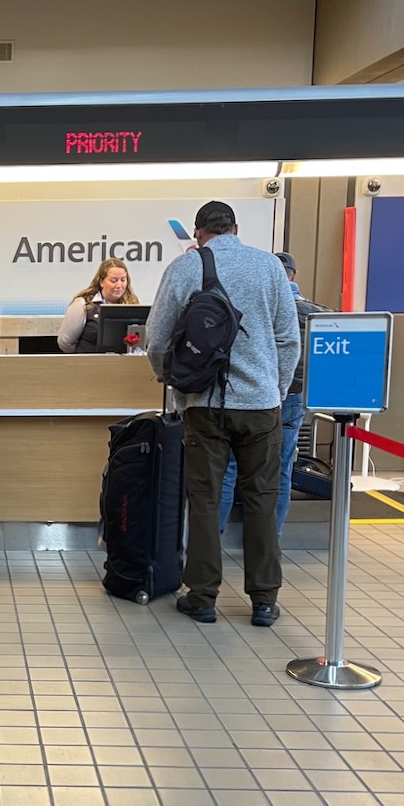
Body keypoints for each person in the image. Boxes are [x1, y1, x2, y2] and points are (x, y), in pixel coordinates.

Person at [148, 201, 299, 627]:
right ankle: (264, 601)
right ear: (235, 228)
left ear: (199, 233)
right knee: (261, 500)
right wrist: (274, 388)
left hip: (205, 406)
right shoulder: (270, 267)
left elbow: (157, 340)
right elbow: (289, 340)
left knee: (205, 500)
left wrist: (173, 381)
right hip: (261, 407)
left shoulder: (186, 267)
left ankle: (202, 597)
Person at [217, 252, 324, 540]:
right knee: (280, 470)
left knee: (229, 468)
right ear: (294, 276)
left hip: (249, 395)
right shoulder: (319, 314)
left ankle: (213, 540)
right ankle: (268, 540)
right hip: (292, 399)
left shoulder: (253, 306)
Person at [58, 259, 139, 353]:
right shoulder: (83, 304)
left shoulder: (132, 304)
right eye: (114, 280)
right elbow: (65, 343)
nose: (119, 285)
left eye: (123, 280)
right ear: (101, 282)